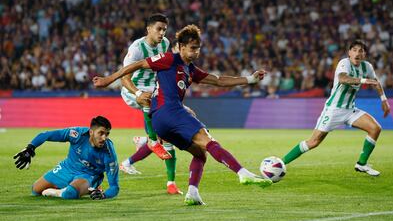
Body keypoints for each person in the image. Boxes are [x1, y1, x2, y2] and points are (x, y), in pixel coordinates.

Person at [93, 24, 272, 205]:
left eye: (198, 49)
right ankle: (243, 173)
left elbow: (218, 81)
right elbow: (137, 64)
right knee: (207, 140)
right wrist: (108, 80)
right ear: (181, 47)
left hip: (162, 122)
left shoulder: (190, 69)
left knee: (200, 153)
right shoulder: (169, 59)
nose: (196, 52)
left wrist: (250, 79)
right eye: (192, 48)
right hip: (169, 111)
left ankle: (192, 193)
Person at [281, 40, 391, 176]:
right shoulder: (344, 63)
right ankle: (281, 162)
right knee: (314, 142)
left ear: (364, 54)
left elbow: (376, 82)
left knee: (375, 128)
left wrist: (384, 99)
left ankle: (362, 164)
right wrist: (363, 81)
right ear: (349, 53)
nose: (357, 53)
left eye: (361, 50)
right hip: (333, 110)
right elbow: (343, 78)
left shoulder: (367, 67)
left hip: (350, 110)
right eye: (355, 50)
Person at [119, 13, 183, 195]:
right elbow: (124, 77)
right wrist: (138, 93)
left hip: (153, 88)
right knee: (152, 102)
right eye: (158, 29)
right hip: (133, 90)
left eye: (164, 29)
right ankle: (151, 140)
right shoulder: (137, 48)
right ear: (148, 29)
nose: (162, 33)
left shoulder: (165, 44)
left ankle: (171, 183)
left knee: (168, 133)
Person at [13, 116, 119, 200]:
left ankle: (88, 188)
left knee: (70, 193)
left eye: (107, 134)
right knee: (35, 190)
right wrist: (30, 148)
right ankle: (71, 189)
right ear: (91, 132)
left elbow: (114, 187)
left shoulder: (109, 154)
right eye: (101, 133)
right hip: (67, 168)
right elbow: (47, 135)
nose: (104, 138)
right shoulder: (77, 134)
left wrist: (104, 195)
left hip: (88, 175)